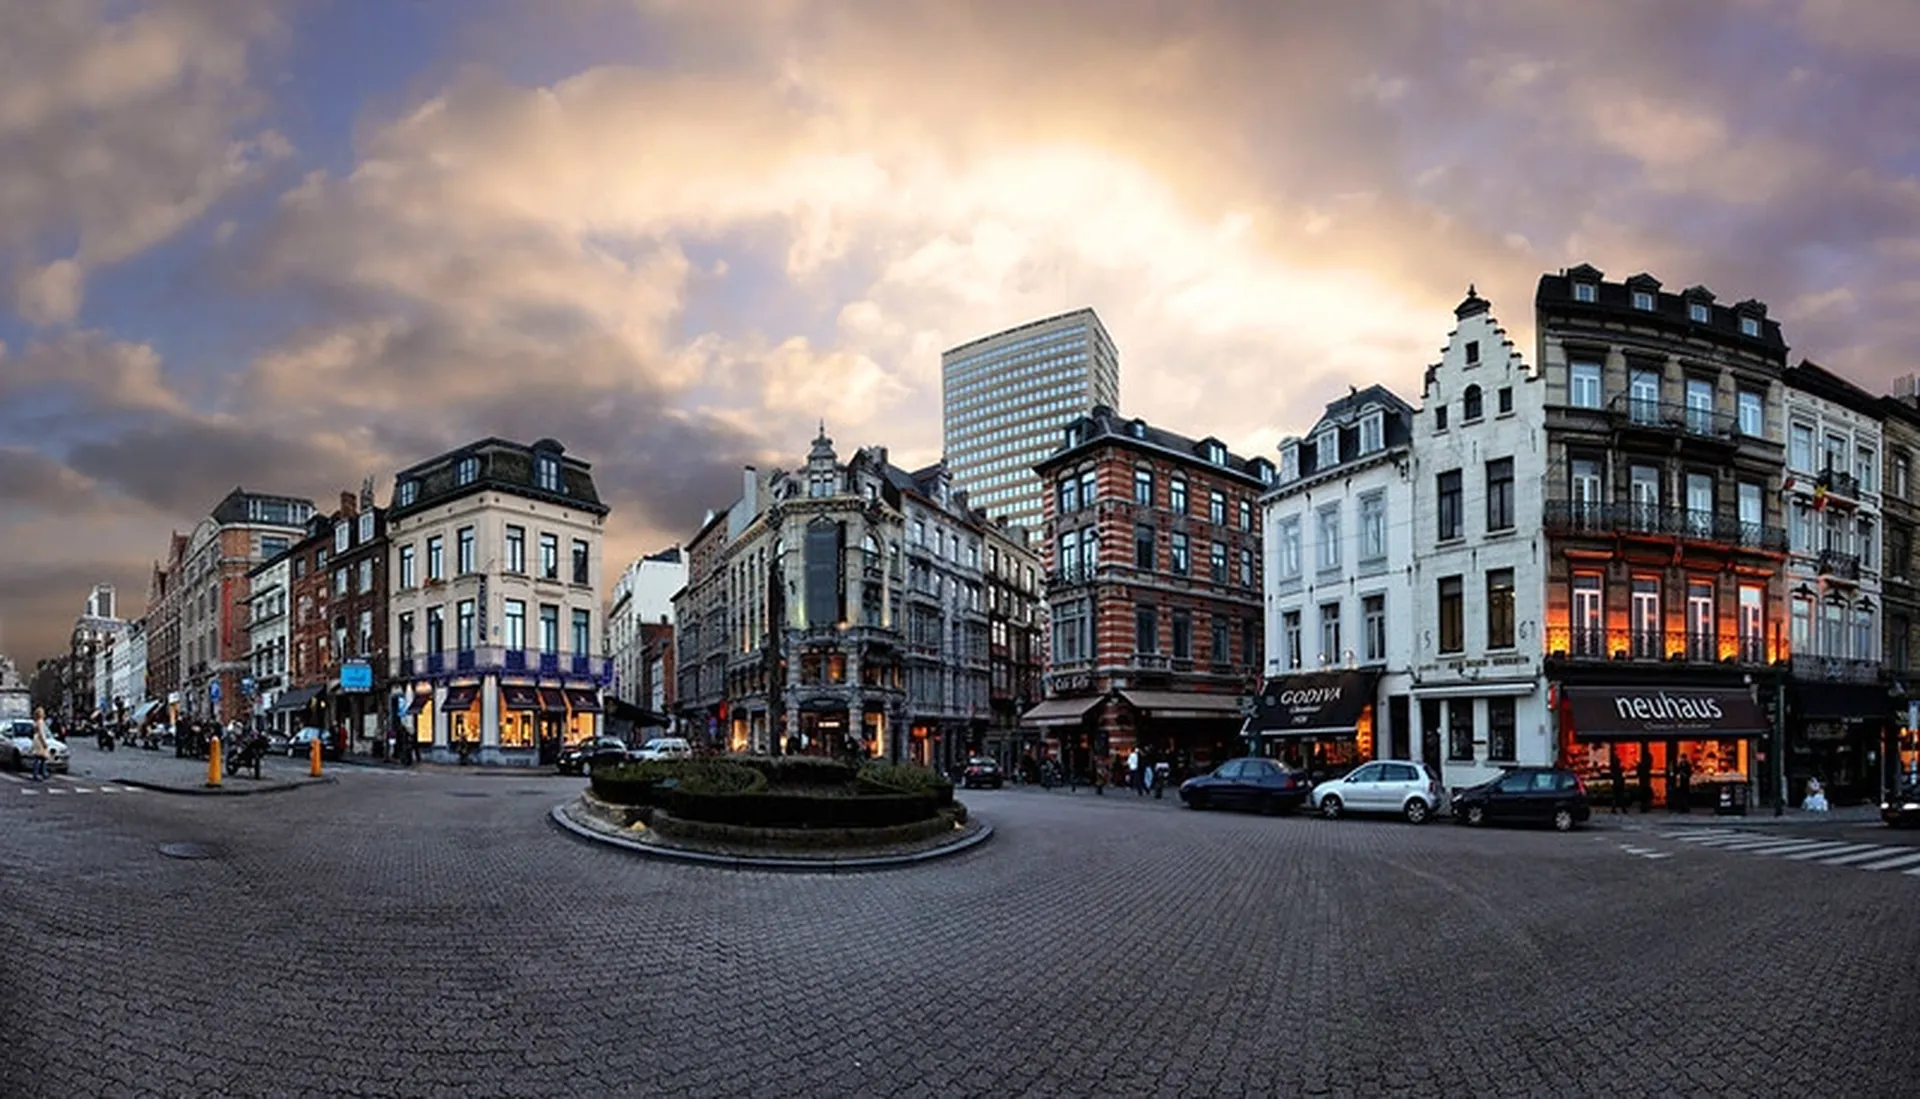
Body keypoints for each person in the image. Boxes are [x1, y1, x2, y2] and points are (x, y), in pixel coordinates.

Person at [28, 707, 53, 782]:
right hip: (39, 740)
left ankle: (42, 773)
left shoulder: (35, 722)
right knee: (41, 757)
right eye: (42, 712)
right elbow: (41, 733)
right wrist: (44, 743)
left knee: (40, 758)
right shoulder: (40, 722)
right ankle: (39, 774)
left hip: (36, 739)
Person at [1608, 750, 1627, 815]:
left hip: (1616, 784)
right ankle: (1622, 809)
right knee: (1620, 797)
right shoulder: (1618, 770)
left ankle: (1616, 808)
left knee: (1616, 797)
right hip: (1618, 784)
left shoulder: (1616, 769)